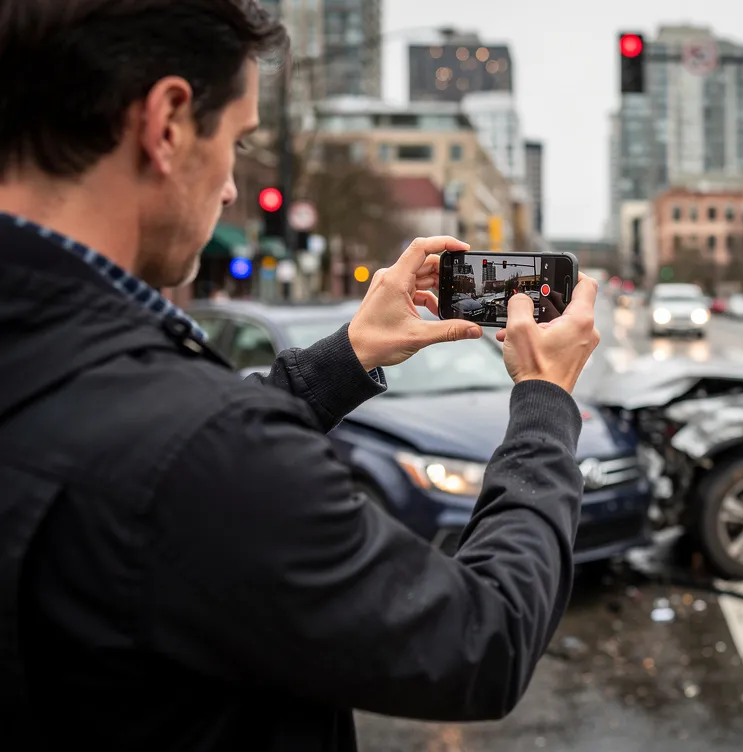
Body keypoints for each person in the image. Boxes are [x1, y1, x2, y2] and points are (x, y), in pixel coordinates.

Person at [0, 2, 600, 750]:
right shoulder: (205, 451)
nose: (230, 189)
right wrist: (544, 407)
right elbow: (485, 639)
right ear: (168, 123)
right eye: (238, 141)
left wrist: (345, 358)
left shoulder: (69, 376)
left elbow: (134, 453)